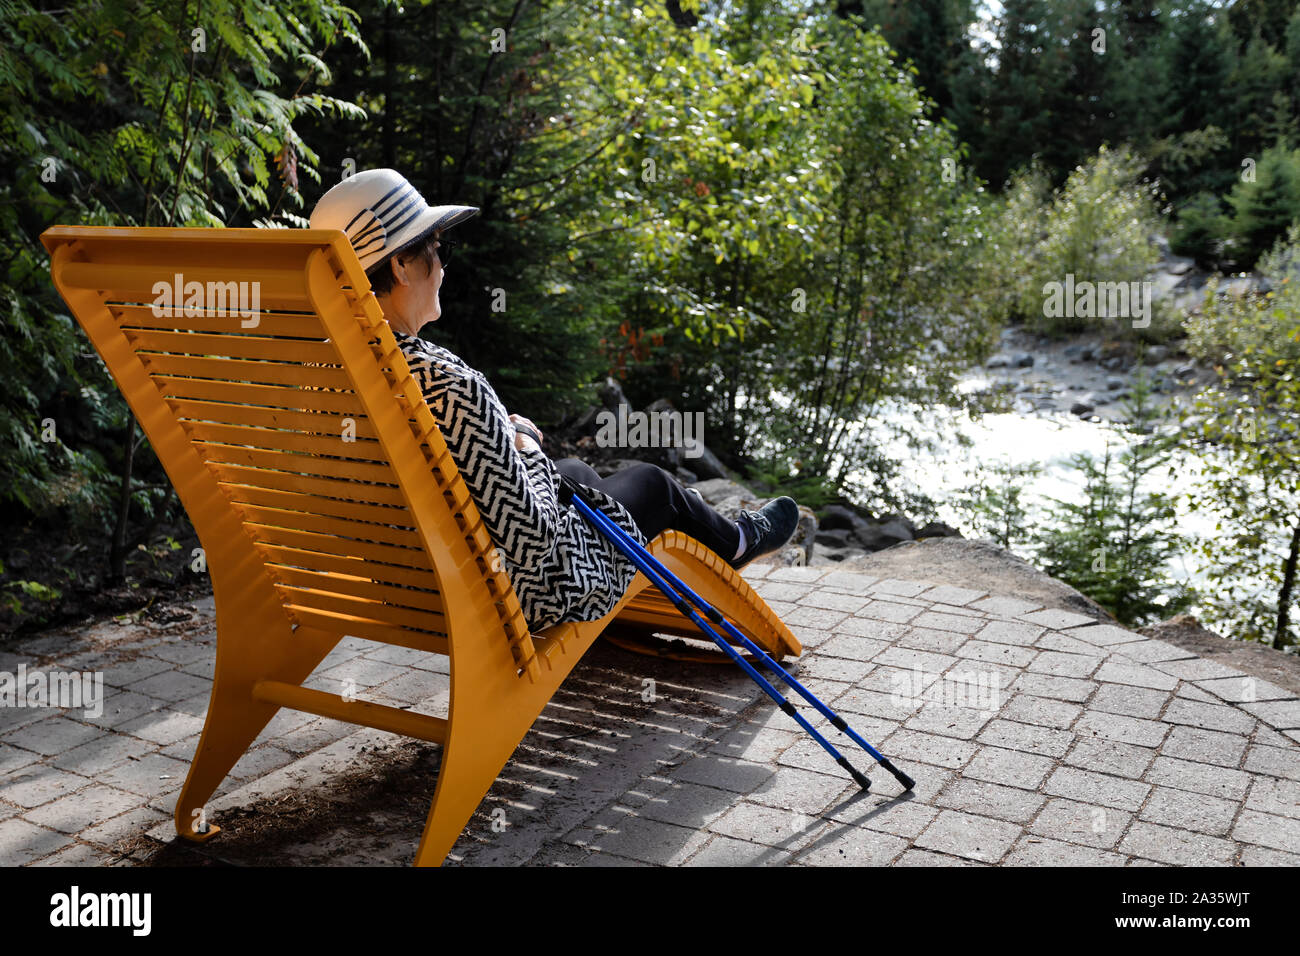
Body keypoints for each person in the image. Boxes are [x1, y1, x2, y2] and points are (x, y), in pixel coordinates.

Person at [309, 168, 799, 632]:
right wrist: (519, 441)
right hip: (518, 592)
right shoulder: (450, 388)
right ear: (400, 265)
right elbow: (533, 541)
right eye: (439, 249)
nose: (442, 268)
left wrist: (498, 439)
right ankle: (737, 542)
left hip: (405, 588)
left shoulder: (329, 378)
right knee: (654, 485)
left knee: (579, 475)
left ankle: (724, 540)